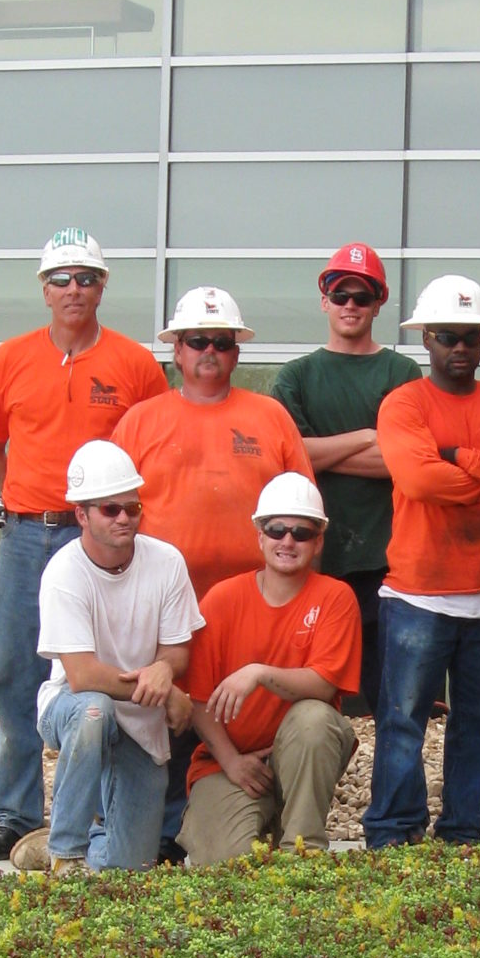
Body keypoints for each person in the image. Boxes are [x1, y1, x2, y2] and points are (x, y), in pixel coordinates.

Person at [0, 228, 168, 864]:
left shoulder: (135, 364)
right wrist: (26, 496)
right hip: (30, 532)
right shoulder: (10, 359)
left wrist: (112, 518)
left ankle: (101, 814)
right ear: (44, 290)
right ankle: (15, 814)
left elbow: (154, 444)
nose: (73, 288)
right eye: (60, 279)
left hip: (102, 538)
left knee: (103, 671)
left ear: (102, 287)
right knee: (15, 672)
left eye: (85, 278)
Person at [112, 286, 315, 858]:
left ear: (236, 352)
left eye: (221, 342)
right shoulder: (140, 421)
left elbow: (303, 512)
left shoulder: (269, 417)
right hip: (160, 603)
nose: (209, 351)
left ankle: (256, 819)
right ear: (176, 350)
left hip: (251, 604)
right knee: (159, 716)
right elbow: (112, 513)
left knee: (240, 711)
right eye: (197, 340)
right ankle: (153, 834)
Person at [365, 275, 480, 849]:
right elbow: (419, 479)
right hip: (418, 593)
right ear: (427, 339)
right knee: (402, 720)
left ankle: (462, 827)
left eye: (471, 336)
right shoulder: (404, 404)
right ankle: (394, 831)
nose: (460, 346)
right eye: (448, 336)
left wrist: (460, 457)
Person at [17, 441, 201, 875]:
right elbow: (82, 676)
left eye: (132, 508)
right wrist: (164, 692)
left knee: (131, 870)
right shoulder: (64, 572)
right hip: (71, 706)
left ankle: (70, 844)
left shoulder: (167, 562)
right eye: (110, 509)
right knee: (94, 712)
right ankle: (65, 854)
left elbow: (178, 649)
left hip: (140, 725)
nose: (124, 518)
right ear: (81, 515)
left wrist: (165, 669)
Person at [171, 475, 362, 865]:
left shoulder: (336, 597)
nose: (287, 541)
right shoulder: (222, 599)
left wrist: (258, 672)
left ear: (318, 541)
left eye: (301, 533)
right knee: (225, 866)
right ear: (259, 536)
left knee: (314, 720)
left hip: (297, 754)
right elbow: (198, 701)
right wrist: (232, 762)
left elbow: (324, 686)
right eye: (276, 530)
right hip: (227, 762)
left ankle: (302, 853)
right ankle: (268, 823)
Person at [270, 243, 418, 714]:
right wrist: (366, 437)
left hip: (387, 560)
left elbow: (403, 462)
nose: (350, 305)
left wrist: (318, 453)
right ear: (324, 301)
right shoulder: (296, 377)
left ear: (379, 303)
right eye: (340, 295)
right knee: (308, 693)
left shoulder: (402, 372)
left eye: (361, 296)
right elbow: (288, 457)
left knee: (390, 700)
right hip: (312, 556)